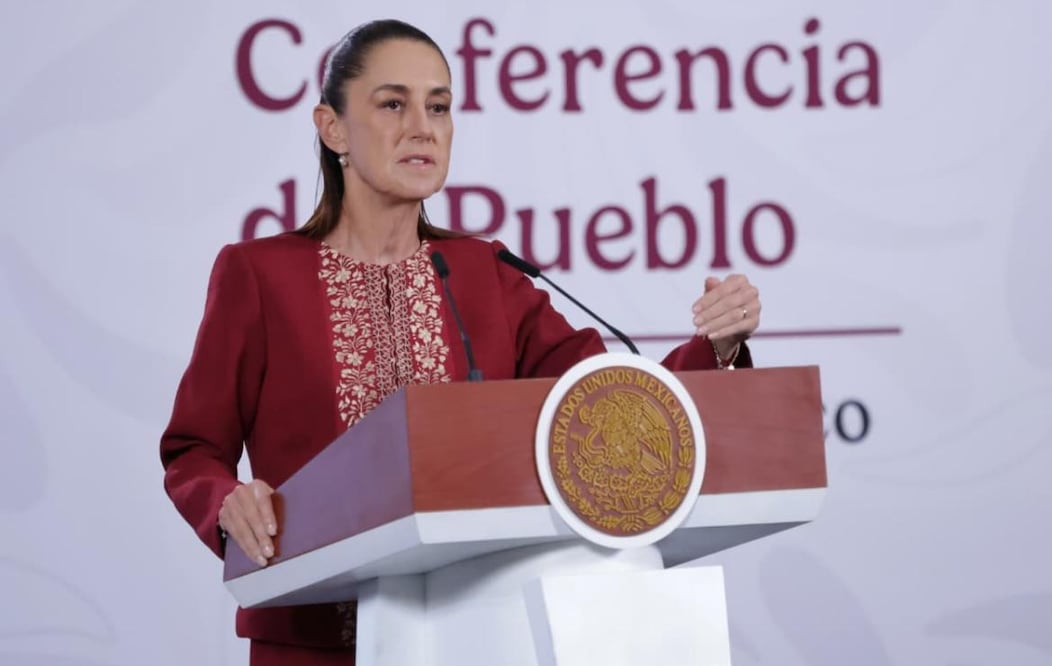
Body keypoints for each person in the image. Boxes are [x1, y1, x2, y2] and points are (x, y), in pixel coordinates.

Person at [160, 18, 761, 666]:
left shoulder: (486, 273)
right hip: (310, 641)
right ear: (332, 127)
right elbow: (194, 448)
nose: (423, 126)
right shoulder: (259, 274)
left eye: (439, 107)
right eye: (394, 104)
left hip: (473, 634)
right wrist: (226, 502)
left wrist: (716, 348)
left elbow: (604, 400)